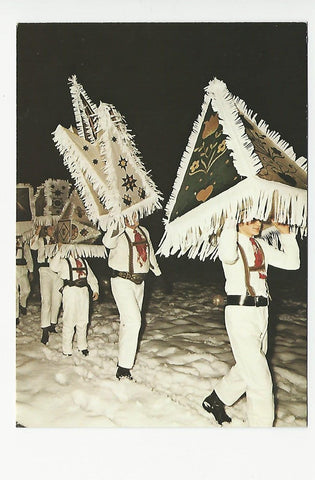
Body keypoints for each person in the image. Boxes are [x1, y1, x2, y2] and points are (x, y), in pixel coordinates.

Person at [202, 218, 300, 427]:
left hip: (261, 313)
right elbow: (228, 257)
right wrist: (229, 221)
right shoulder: (230, 241)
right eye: (251, 219)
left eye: (259, 218)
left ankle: (216, 399)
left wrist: (285, 233)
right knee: (261, 381)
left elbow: (293, 263)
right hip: (240, 313)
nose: (259, 223)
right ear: (238, 220)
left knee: (249, 365)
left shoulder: (260, 244)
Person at [103, 212, 161, 380]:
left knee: (128, 323)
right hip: (121, 281)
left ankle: (123, 357)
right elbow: (107, 242)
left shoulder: (144, 231)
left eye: (136, 215)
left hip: (139, 283)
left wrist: (158, 273)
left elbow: (150, 253)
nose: (134, 220)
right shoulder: (117, 232)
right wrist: (117, 224)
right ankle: (124, 367)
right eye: (129, 216)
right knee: (134, 321)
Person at [49, 246, 99, 356]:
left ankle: (82, 346)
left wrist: (95, 289)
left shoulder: (84, 262)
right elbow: (53, 266)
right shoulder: (63, 262)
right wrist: (60, 251)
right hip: (71, 292)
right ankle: (67, 349)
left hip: (84, 292)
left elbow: (91, 277)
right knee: (69, 320)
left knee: (83, 320)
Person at [30, 225, 63, 344]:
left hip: (58, 271)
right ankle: (44, 328)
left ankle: (52, 324)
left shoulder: (61, 242)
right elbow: (32, 246)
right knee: (46, 300)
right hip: (45, 271)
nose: (52, 230)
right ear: (46, 230)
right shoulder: (40, 241)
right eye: (50, 228)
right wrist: (37, 232)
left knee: (57, 300)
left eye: (54, 228)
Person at [16, 235, 33, 325]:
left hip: (22, 269)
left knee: (26, 290)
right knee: (14, 294)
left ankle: (22, 304)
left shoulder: (24, 244)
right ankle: (15, 316)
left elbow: (29, 258)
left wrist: (31, 271)